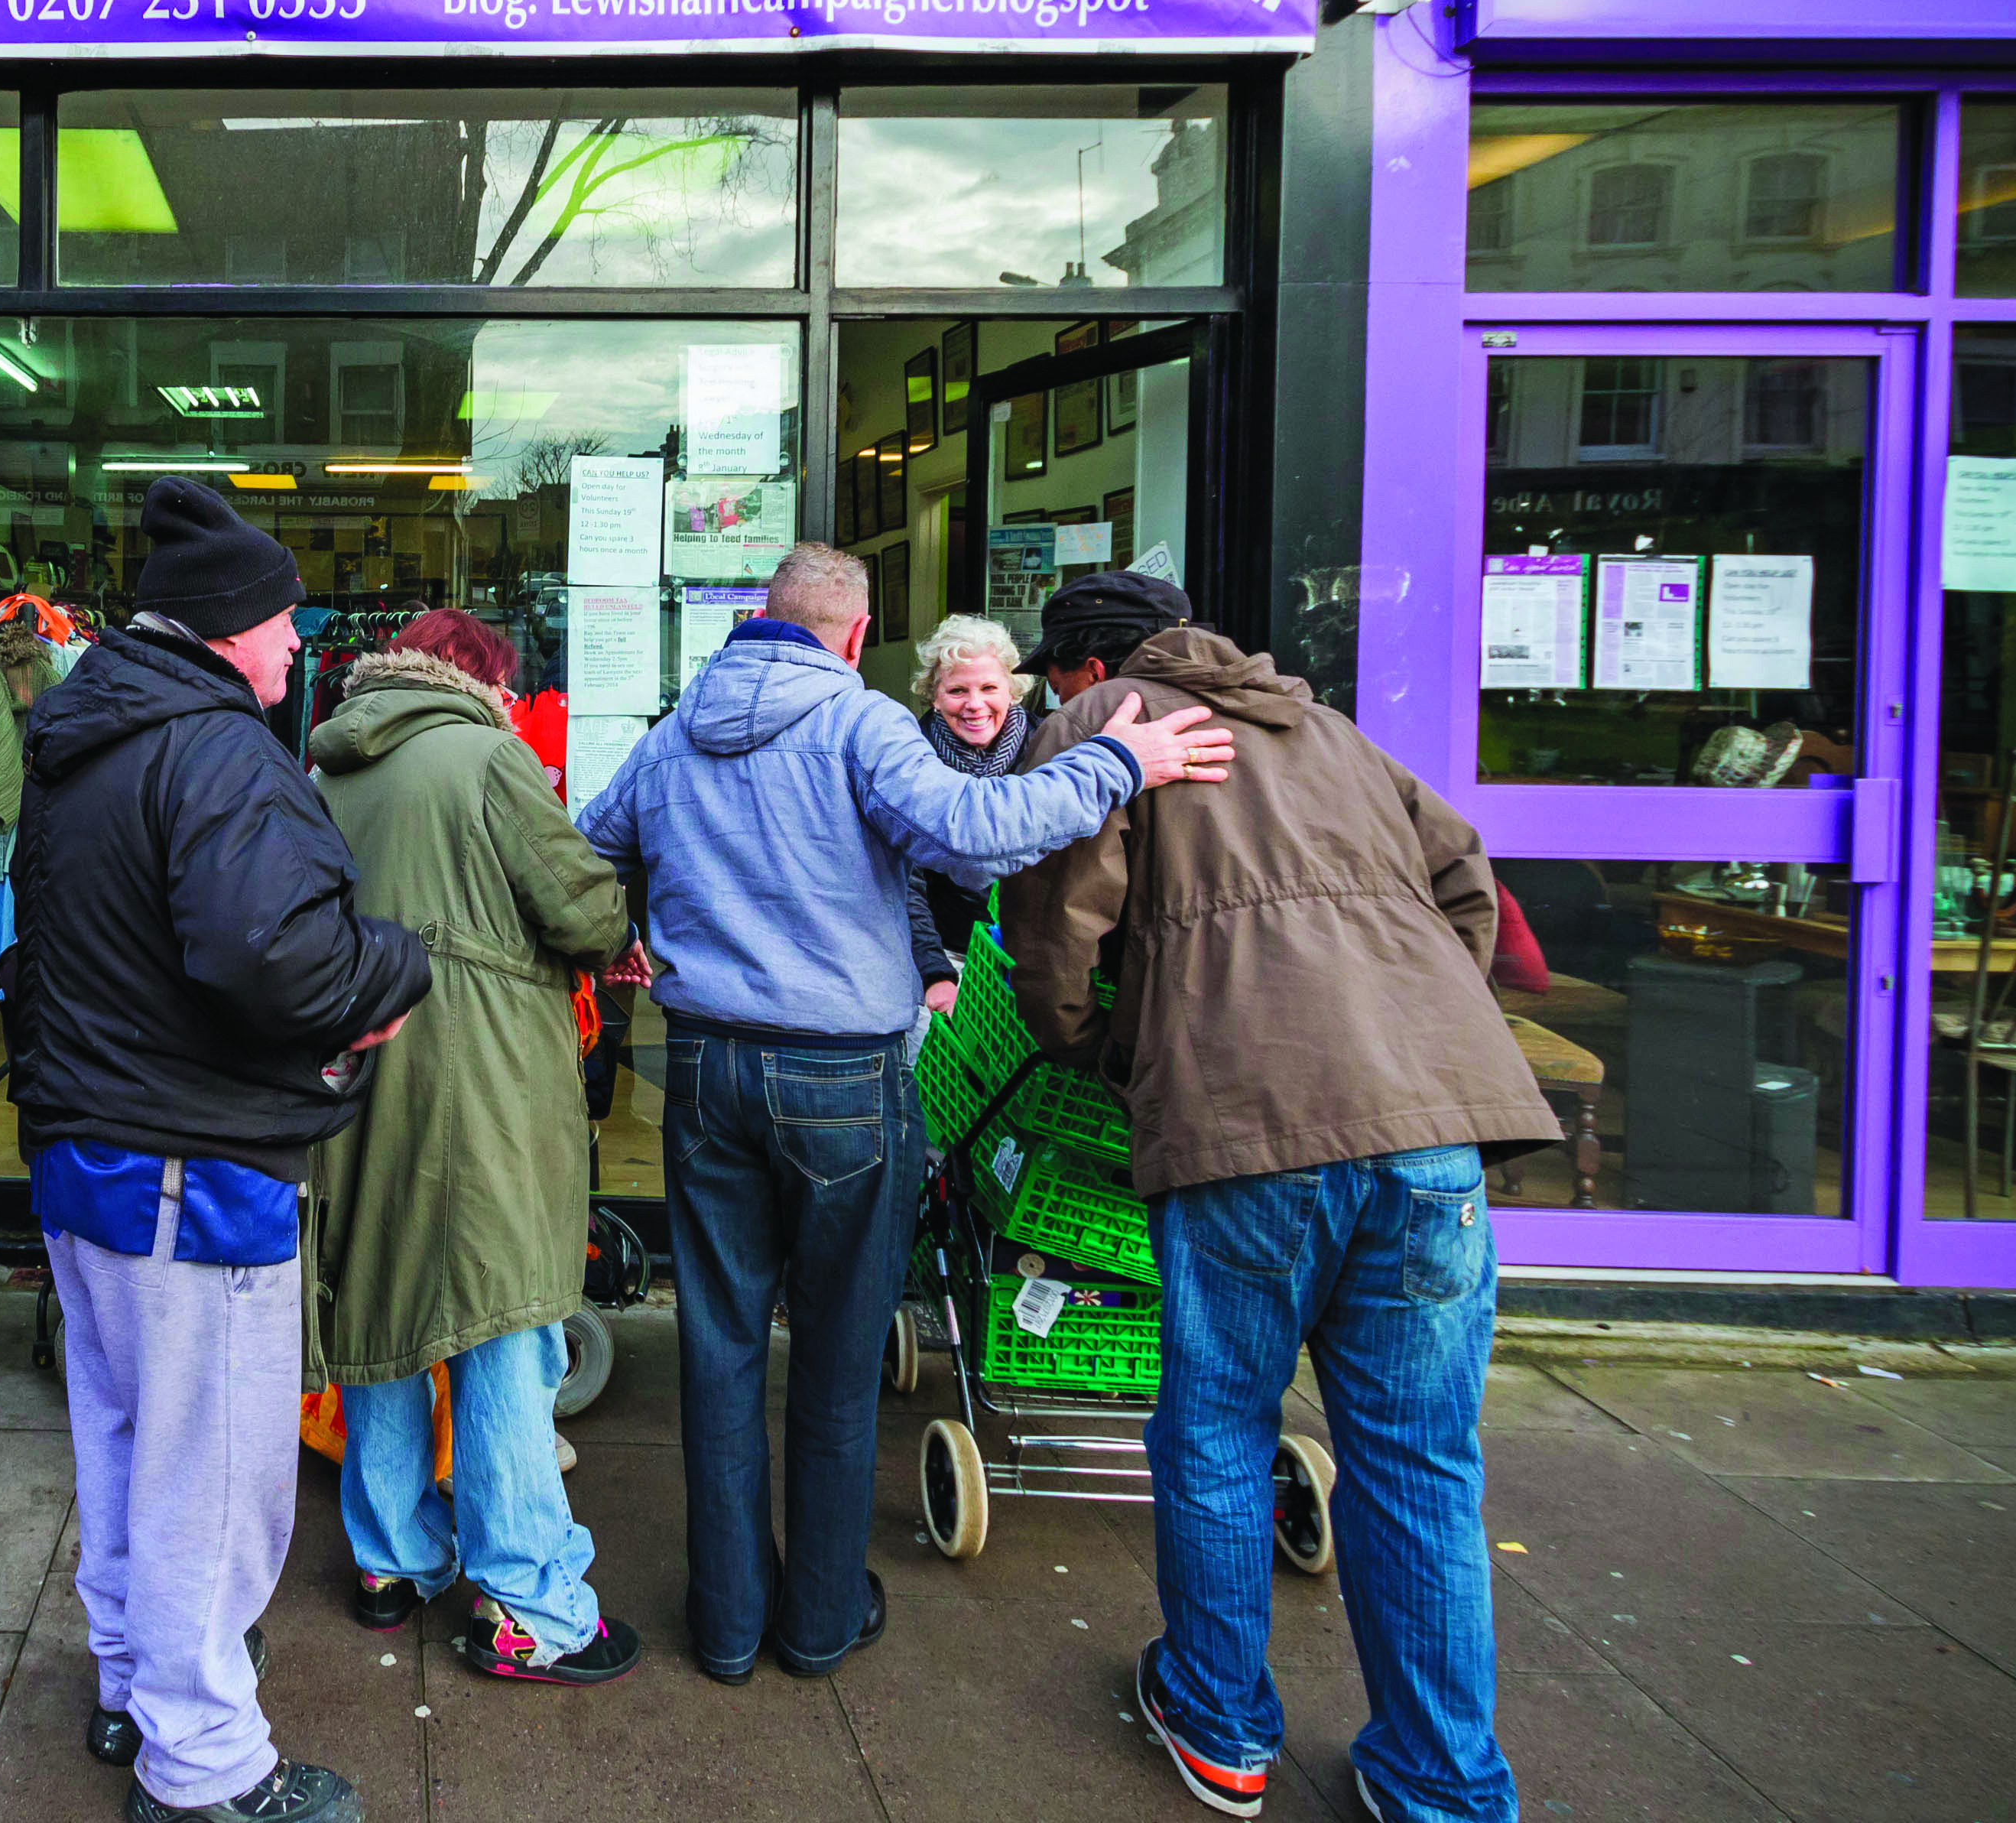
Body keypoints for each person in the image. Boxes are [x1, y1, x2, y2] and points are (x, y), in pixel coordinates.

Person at [573, 542, 1229, 1687]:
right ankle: (818, 1620)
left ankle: (726, 1624)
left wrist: (624, 941)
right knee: (833, 1349)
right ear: (856, 632)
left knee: (720, 1348)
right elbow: (978, 832)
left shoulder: (673, 736)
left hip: (709, 1068)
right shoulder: (858, 723)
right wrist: (1119, 760)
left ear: (758, 622)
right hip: (841, 1078)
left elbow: (586, 852)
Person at [992, 571, 1559, 1823]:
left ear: (1085, 671)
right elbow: (1469, 882)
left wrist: (1115, 1055)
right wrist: (1401, 1030)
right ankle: (1446, 1782)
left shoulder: (1112, 730)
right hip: (1434, 1135)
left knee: (1217, 1428)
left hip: (1249, 1122)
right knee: (1420, 1463)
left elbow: (1051, 936)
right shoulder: (1328, 728)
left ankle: (1220, 1720)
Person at [10, 477, 429, 1823]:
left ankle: (138, 1691)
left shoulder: (88, 738)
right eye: (283, 623)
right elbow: (273, 955)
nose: (299, 646)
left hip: (94, 1151)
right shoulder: (215, 747)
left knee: (129, 1443)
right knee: (214, 1472)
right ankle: (207, 1770)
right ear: (226, 625)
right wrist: (393, 968)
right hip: (189, 1164)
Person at [306, 609, 638, 1686]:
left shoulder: (323, 765)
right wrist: (623, 943)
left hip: (364, 1077)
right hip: (481, 1082)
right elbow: (580, 906)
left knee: (386, 1311)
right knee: (504, 1327)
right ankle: (531, 1605)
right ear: (478, 676)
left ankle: (390, 1562)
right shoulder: (488, 757)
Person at [904, 612, 1037, 1020]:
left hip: (1034, 962)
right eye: (958, 690)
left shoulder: (1047, 749)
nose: (975, 705)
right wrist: (935, 973)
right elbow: (903, 881)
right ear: (934, 695)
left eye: (990, 687)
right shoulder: (908, 758)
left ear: (1013, 691)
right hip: (947, 958)